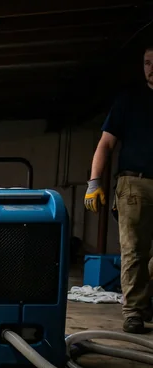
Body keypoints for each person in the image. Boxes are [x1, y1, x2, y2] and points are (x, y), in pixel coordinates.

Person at [85, 45, 153, 334]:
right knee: (134, 251)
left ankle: (143, 299)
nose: (152, 67)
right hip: (134, 184)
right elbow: (106, 144)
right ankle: (135, 312)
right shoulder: (130, 100)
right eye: (148, 62)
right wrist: (94, 183)